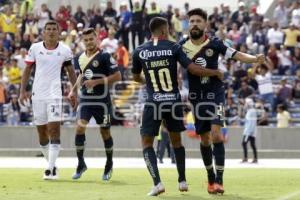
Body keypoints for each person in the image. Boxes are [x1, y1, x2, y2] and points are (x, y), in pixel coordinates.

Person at [132, 17, 223, 196]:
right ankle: (182, 180)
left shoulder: (140, 51)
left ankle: (157, 183)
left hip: (154, 101)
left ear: (152, 32)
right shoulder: (174, 47)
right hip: (173, 101)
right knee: (176, 142)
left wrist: (148, 82)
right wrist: (215, 72)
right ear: (165, 31)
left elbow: (135, 77)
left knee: (146, 143)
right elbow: (194, 69)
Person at [179, 8, 265, 194]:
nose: (194, 24)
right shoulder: (181, 46)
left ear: (205, 24)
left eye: (198, 21)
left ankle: (219, 180)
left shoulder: (216, 44)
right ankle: (210, 179)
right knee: (204, 139)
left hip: (215, 93)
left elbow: (238, 55)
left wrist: (255, 59)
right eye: (191, 21)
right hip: (196, 97)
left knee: (216, 134)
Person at [19, 20, 77, 180]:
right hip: (38, 95)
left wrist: (74, 92)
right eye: (48, 29)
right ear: (43, 32)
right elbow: (27, 70)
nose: (51, 31)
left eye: (54, 29)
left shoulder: (65, 50)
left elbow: (71, 72)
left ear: (58, 32)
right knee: (42, 134)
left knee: (54, 130)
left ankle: (50, 170)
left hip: (55, 95)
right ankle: (52, 165)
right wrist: (22, 91)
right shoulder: (35, 48)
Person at [68, 28, 121, 180]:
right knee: (79, 128)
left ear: (97, 39)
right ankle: (80, 163)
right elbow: (81, 75)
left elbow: (117, 76)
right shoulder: (79, 57)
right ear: (82, 41)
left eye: (91, 39)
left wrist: (96, 82)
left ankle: (109, 163)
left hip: (103, 102)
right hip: (86, 100)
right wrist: (72, 91)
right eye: (86, 40)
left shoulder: (105, 56)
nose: (89, 42)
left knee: (105, 133)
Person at [241, 98, 258, 163]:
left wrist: (249, 132)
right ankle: (254, 158)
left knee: (244, 143)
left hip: (249, 132)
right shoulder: (249, 111)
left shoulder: (252, 111)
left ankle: (246, 158)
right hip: (249, 131)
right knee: (252, 144)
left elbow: (252, 122)